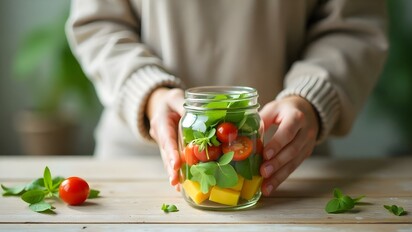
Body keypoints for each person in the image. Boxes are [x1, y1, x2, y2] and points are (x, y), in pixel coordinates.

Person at [66, 0, 388, 196]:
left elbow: (353, 25)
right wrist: (148, 92)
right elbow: (98, 22)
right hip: (136, 164)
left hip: (286, 163)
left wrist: (312, 96)